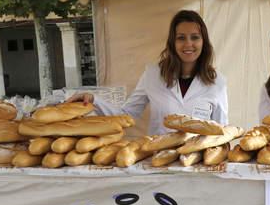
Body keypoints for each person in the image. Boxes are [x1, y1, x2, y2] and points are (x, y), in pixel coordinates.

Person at [67, 10, 228, 136]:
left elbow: (221, 131)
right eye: (181, 38)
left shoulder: (217, 82)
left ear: (203, 41)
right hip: (159, 164)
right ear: (172, 42)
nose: (188, 44)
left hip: (199, 168)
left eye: (195, 37)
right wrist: (94, 99)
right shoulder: (153, 75)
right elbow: (127, 114)